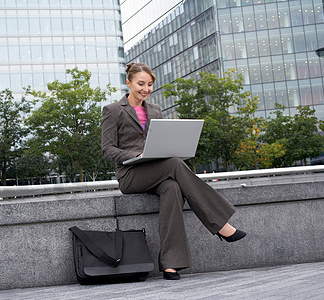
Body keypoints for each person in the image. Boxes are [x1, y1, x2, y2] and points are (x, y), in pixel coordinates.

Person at [101, 62, 246, 280]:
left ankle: (171, 264)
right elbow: (107, 149)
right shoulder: (113, 110)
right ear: (128, 82)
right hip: (131, 175)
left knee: (172, 188)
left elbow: (162, 140)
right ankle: (221, 224)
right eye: (141, 83)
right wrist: (133, 157)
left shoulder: (156, 110)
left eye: (150, 85)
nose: (146, 89)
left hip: (158, 170)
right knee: (175, 163)